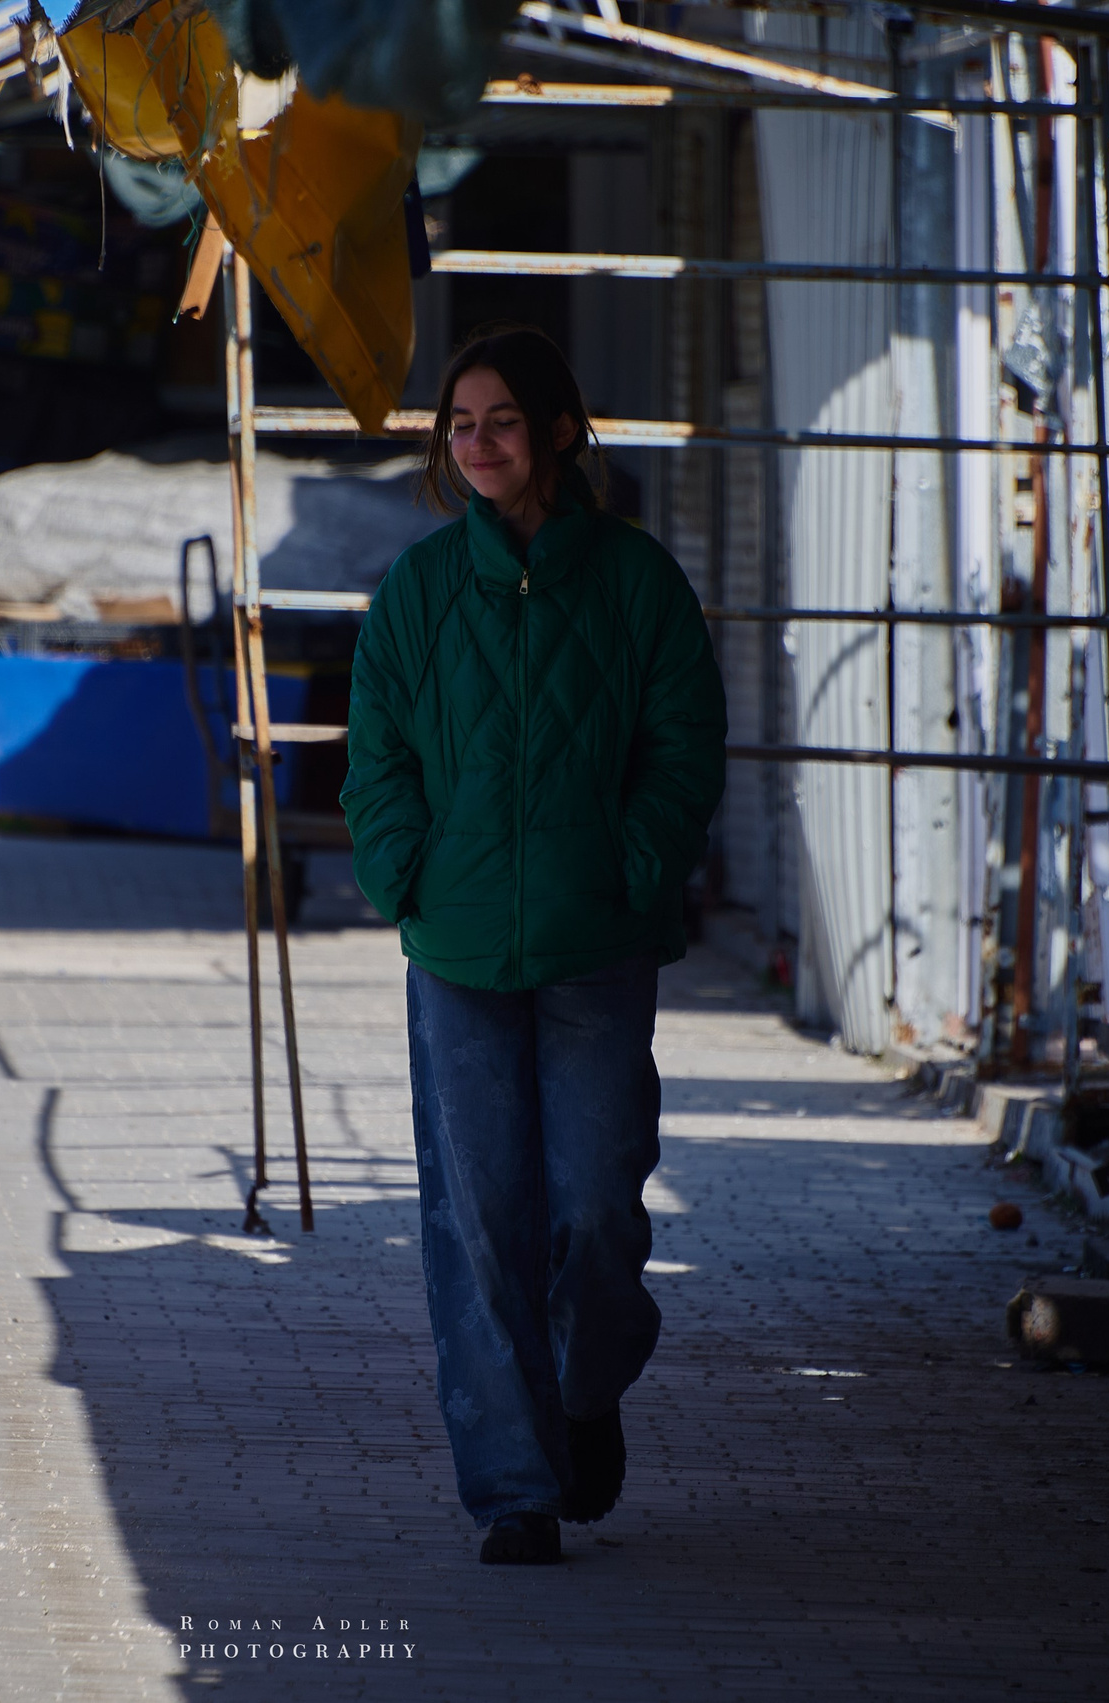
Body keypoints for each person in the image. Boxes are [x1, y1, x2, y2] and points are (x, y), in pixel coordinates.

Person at [340, 326, 727, 1566]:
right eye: (459, 424)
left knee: (597, 1212)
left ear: (559, 430)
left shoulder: (637, 584)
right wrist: (401, 871)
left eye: (501, 419)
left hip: (596, 948)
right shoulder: (415, 590)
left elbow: (683, 749)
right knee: (477, 1220)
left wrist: (632, 869)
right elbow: (377, 756)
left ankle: (584, 1383)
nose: (478, 443)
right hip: (455, 949)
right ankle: (514, 1485)